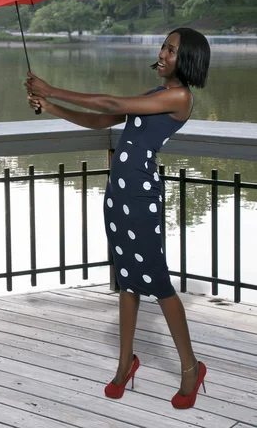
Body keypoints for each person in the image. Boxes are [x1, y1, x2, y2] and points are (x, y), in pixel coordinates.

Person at [25, 27, 211, 409]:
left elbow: (109, 103)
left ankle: (191, 367)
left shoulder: (179, 97)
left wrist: (52, 89)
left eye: (172, 50)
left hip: (141, 197)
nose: (162, 53)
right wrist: (51, 107)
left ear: (188, 58)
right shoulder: (154, 94)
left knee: (158, 283)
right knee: (127, 281)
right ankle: (126, 363)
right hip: (119, 195)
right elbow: (100, 121)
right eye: (164, 45)